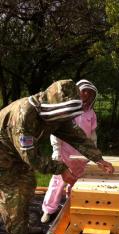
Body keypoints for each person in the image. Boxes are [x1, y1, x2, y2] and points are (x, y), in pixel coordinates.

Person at [0, 79, 114, 234]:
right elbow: (30, 156)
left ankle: (22, 227)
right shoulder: (24, 115)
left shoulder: (59, 112)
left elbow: (77, 137)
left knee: (28, 186)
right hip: (4, 155)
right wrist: (61, 168)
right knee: (14, 195)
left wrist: (98, 158)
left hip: (19, 153)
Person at [41, 79, 98, 223]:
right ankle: (48, 210)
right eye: (83, 90)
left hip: (81, 155)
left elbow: (92, 135)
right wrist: (57, 152)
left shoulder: (91, 113)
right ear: (77, 91)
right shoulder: (68, 110)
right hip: (65, 153)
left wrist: (93, 153)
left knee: (78, 182)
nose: (86, 94)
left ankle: (73, 207)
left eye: (89, 92)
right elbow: (57, 132)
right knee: (57, 182)